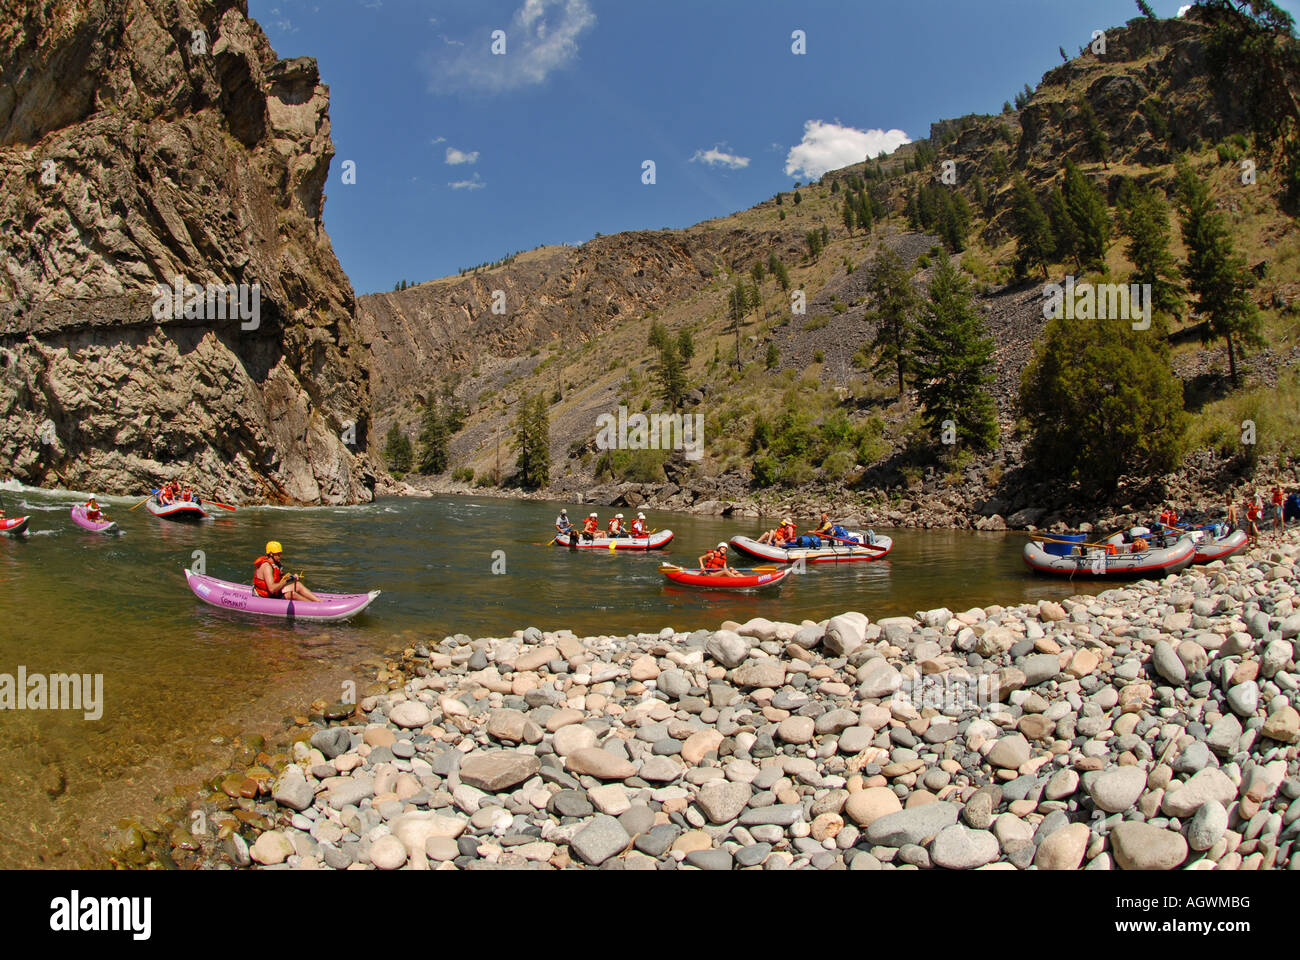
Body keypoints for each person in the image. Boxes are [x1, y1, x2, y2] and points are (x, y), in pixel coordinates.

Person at [254, 541, 319, 602]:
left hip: (274, 593)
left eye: (280, 553)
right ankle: (314, 606)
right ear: (271, 554)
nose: (280, 556)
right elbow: (271, 589)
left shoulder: (275, 564)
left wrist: (292, 577)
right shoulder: (267, 567)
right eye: (278, 554)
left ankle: (319, 602)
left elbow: (280, 578)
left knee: (298, 585)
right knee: (292, 594)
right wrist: (286, 580)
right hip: (265, 597)